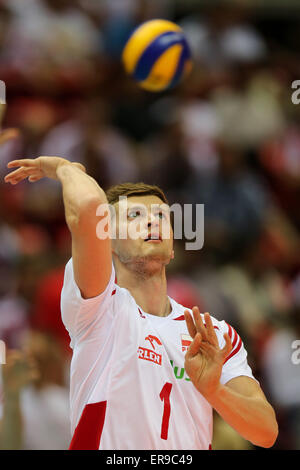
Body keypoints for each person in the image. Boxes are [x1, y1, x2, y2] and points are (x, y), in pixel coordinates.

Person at [4, 156, 278, 450]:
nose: (151, 221)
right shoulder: (99, 307)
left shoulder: (214, 332)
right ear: (107, 239)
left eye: (160, 215)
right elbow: (87, 208)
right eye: (134, 216)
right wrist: (64, 169)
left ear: (173, 246)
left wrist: (214, 391)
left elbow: (266, 432)